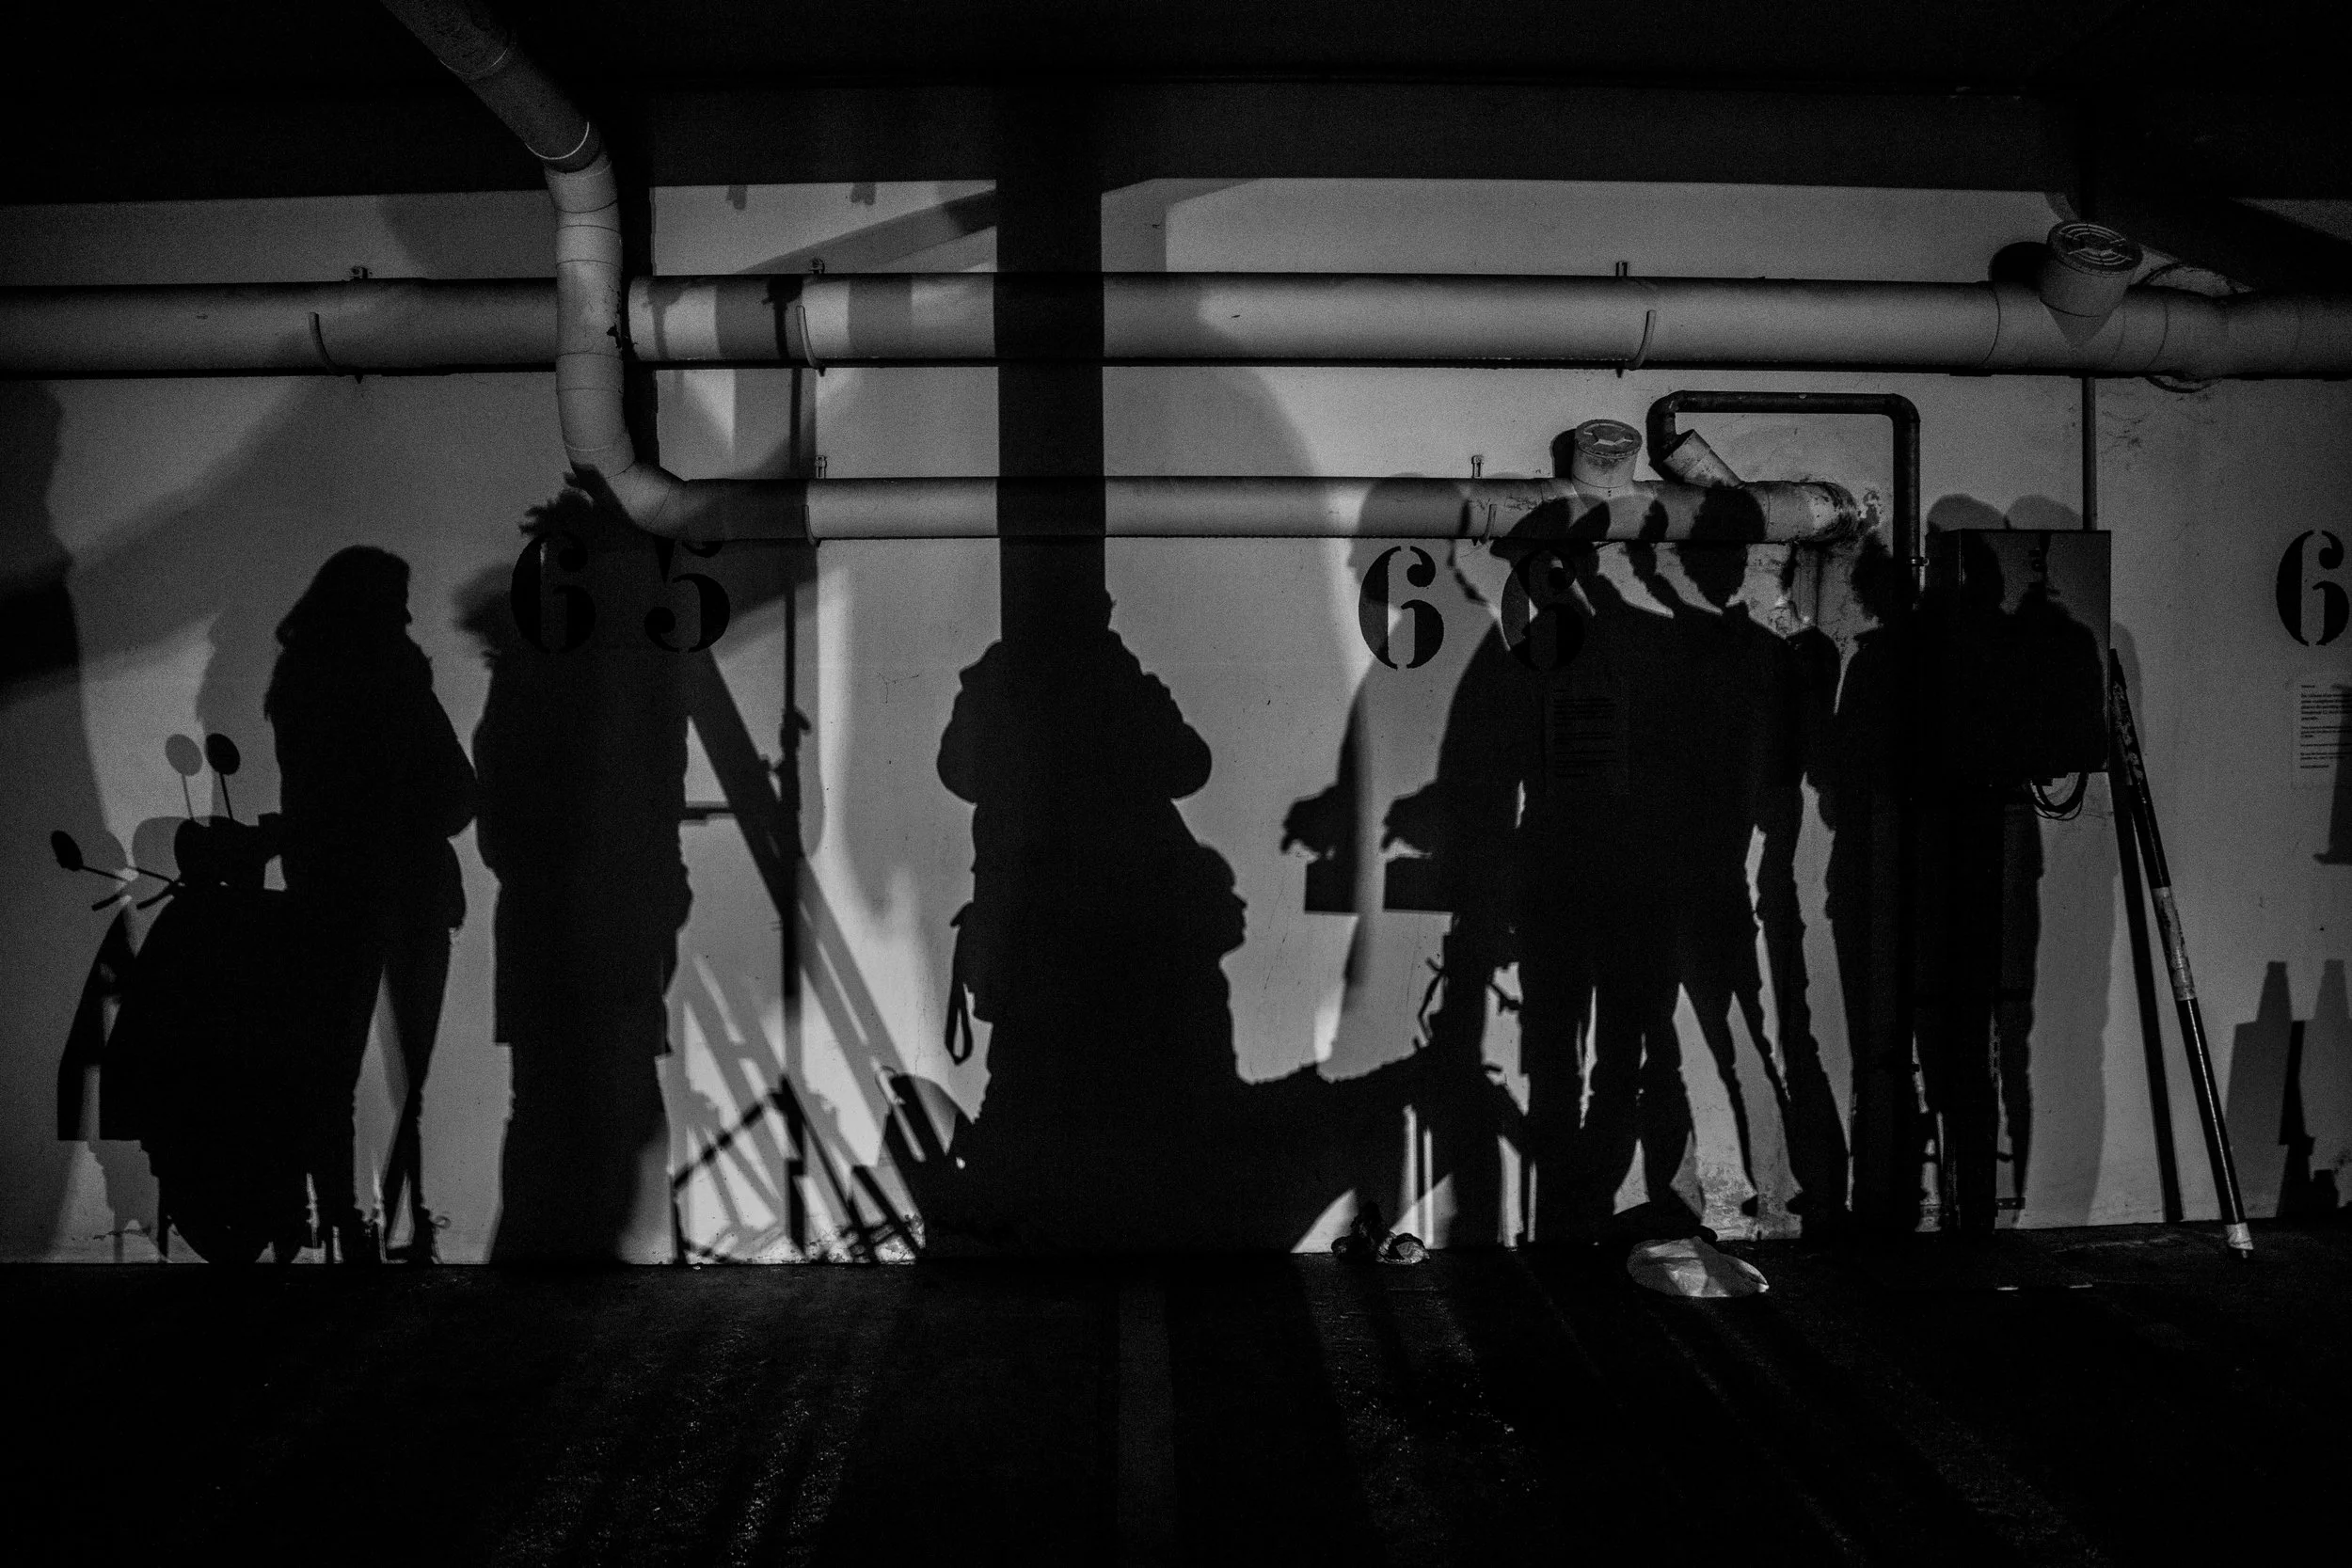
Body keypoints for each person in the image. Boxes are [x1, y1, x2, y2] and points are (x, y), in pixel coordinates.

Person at [267, 546, 475, 1261]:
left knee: (335, 1065)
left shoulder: (302, 680)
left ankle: (344, 1218)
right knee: (409, 1068)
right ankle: (407, 1215)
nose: (409, 614)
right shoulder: (400, 675)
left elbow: (312, 798)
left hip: (332, 892)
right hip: (410, 890)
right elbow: (456, 788)